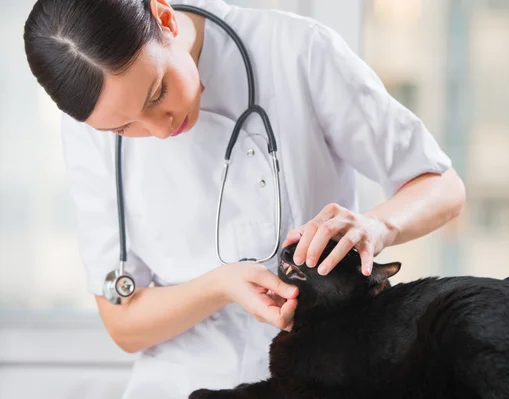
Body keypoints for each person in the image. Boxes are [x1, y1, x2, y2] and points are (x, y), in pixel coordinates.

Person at [23, 0, 466, 397]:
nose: (159, 128)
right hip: (181, 385)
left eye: (157, 93)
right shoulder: (86, 130)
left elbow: (442, 186)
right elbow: (124, 325)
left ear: (165, 18)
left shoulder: (294, 51)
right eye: (123, 129)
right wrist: (219, 286)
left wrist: (377, 226)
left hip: (326, 377)